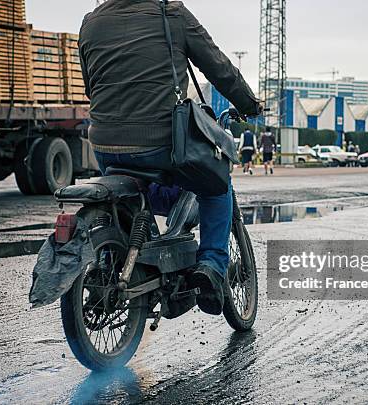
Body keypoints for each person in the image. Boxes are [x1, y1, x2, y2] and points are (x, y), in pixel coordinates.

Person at [78, 0, 261, 315]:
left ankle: (123, 258)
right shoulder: (171, 13)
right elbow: (218, 67)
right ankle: (212, 267)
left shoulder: (91, 22)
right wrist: (249, 104)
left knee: (138, 194)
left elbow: (90, 87)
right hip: (160, 145)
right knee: (216, 184)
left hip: (105, 146)